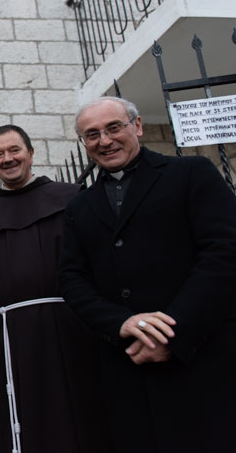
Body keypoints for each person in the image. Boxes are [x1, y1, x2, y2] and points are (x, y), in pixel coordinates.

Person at [59, 96, 236, 453]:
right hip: (128, 366)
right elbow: (72, 279)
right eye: (91, 135)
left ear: (137, 126)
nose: (104, 141)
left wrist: (173, 331)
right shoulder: (79, 206)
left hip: (201, 358)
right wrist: (121, 323)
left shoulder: (191, 174)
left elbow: (224, 253)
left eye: (113, 128)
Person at [0, 125, 108, 453]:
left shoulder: (72, 199)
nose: (7, 159)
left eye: (14, 150)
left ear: (31, 154)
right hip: (13, 335)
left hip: (75, 326)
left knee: (82, 411)